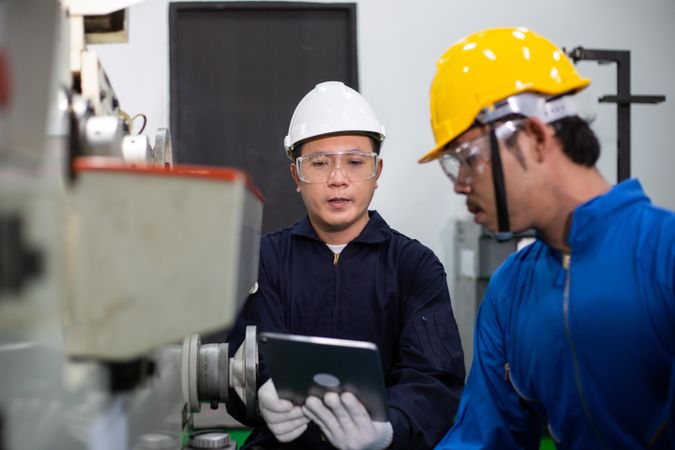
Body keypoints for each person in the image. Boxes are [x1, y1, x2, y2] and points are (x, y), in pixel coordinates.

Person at [417, 27, 675, 449]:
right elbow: (484, 437)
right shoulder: (509, 290)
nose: (459, 184)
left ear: (535, 137)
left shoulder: (665, 256)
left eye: (468, 159)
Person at [226, 81, 465, 449]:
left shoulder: (414, 266)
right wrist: (262, 392)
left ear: (377, 171)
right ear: (296, 176)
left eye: (355, 162)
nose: (337, 179)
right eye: (319, 163)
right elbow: (241, 362)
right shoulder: (264, 261)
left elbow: (433, 380)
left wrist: (389, 429)